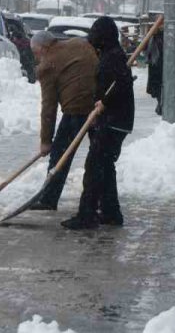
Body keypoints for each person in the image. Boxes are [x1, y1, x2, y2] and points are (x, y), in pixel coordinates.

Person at [63, 16, 135, 230]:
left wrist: (104, 101)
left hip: (113, 122)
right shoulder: (110, 54)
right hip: (114, 120)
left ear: (103, 36)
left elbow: (119, 85)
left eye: (95, 34)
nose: (91, 39)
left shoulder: (113, 58)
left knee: (94, 167)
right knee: (104, 167)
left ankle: (87, 215)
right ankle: (111, 213)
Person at [29, 30, 98, 210]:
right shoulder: (79, 43)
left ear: (44, 48)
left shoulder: (47, 66)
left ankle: (48, 199)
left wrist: (45, 141)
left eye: (35, 53)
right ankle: (103, 201)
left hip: (76, 110)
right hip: (99, 106)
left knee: (60, 155)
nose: (36, 58)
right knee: (99, 157)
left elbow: (49, 108)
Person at [146, 27, 164, 115]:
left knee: (160, 88)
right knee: (157, 89)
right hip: (154, 68)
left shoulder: (162, 38)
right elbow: (147, 50)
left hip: (160, 68)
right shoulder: (151, 38)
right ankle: (159, 104)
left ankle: (161, 106)